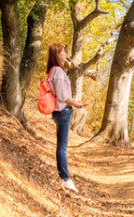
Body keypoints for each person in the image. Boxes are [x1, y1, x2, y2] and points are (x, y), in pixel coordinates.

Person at [46, 43, 84, 193]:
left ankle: (65, 178)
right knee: (62, 147)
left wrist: (68, 66)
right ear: (57, 55)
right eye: (62, 52)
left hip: (59, 111)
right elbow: (62, 96)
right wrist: (76, 103)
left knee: (61, 146)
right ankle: (65, 179)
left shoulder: (56, 70)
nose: (65, 54)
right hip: (63, 111)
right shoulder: (58, 73)